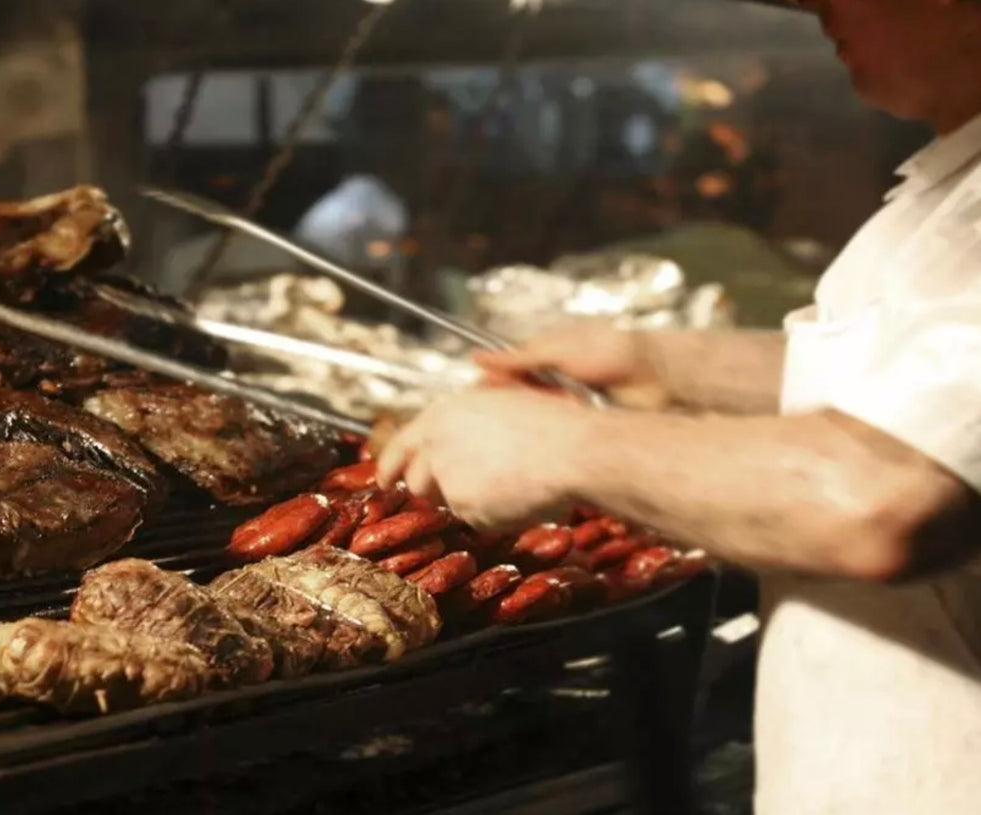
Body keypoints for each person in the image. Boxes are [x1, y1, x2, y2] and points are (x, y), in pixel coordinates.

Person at [374, 1, 981, 812]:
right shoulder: (951, 184)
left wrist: (565, 445)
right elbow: (900, 389)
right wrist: (660, 361)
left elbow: (885, 501)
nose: (816, 12)